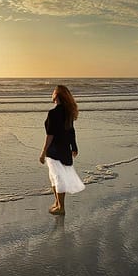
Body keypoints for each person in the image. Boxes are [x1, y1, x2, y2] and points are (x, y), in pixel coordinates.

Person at [39, 85, 85, 215]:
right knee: (55, 177)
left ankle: (61, 207)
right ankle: (58, 203)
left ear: (57, 96)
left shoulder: (53, 113)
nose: (51, 94)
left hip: (54, 150)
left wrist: (43, 152)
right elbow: (71, 132)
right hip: (64, 149)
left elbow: (50, 135)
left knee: (57, 178)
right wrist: (74, 147)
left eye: (53, 92)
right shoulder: (67, 112)